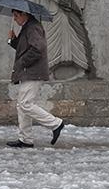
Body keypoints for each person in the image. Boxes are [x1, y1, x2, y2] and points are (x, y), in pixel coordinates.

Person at [7, 9, 66, 148]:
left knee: (25, 104)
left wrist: (22, 63)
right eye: (13, 16)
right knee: (22, 105)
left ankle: (56, 124)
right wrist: (13, 40)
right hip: (29, 72)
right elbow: (25, 48)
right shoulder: (28, 27)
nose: (15, 19)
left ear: (24, 14)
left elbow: (38, 48)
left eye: (16, 16)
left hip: (32, 72)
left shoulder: (33, 27)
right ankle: (25, 139)